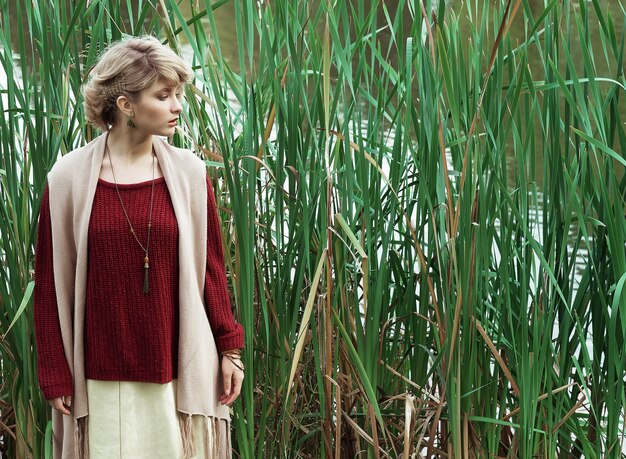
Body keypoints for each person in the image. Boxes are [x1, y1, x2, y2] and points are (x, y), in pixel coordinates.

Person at [33, 35, 244, 459]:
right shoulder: (67, 179)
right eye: (163, 96)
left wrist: (230, 349)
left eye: (177, 95)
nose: (177, 106)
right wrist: (55, 371)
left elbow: (212, 272)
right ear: (126, 104)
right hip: (98, 378)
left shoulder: (188, 173)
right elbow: (49, 286)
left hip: (175, 371)